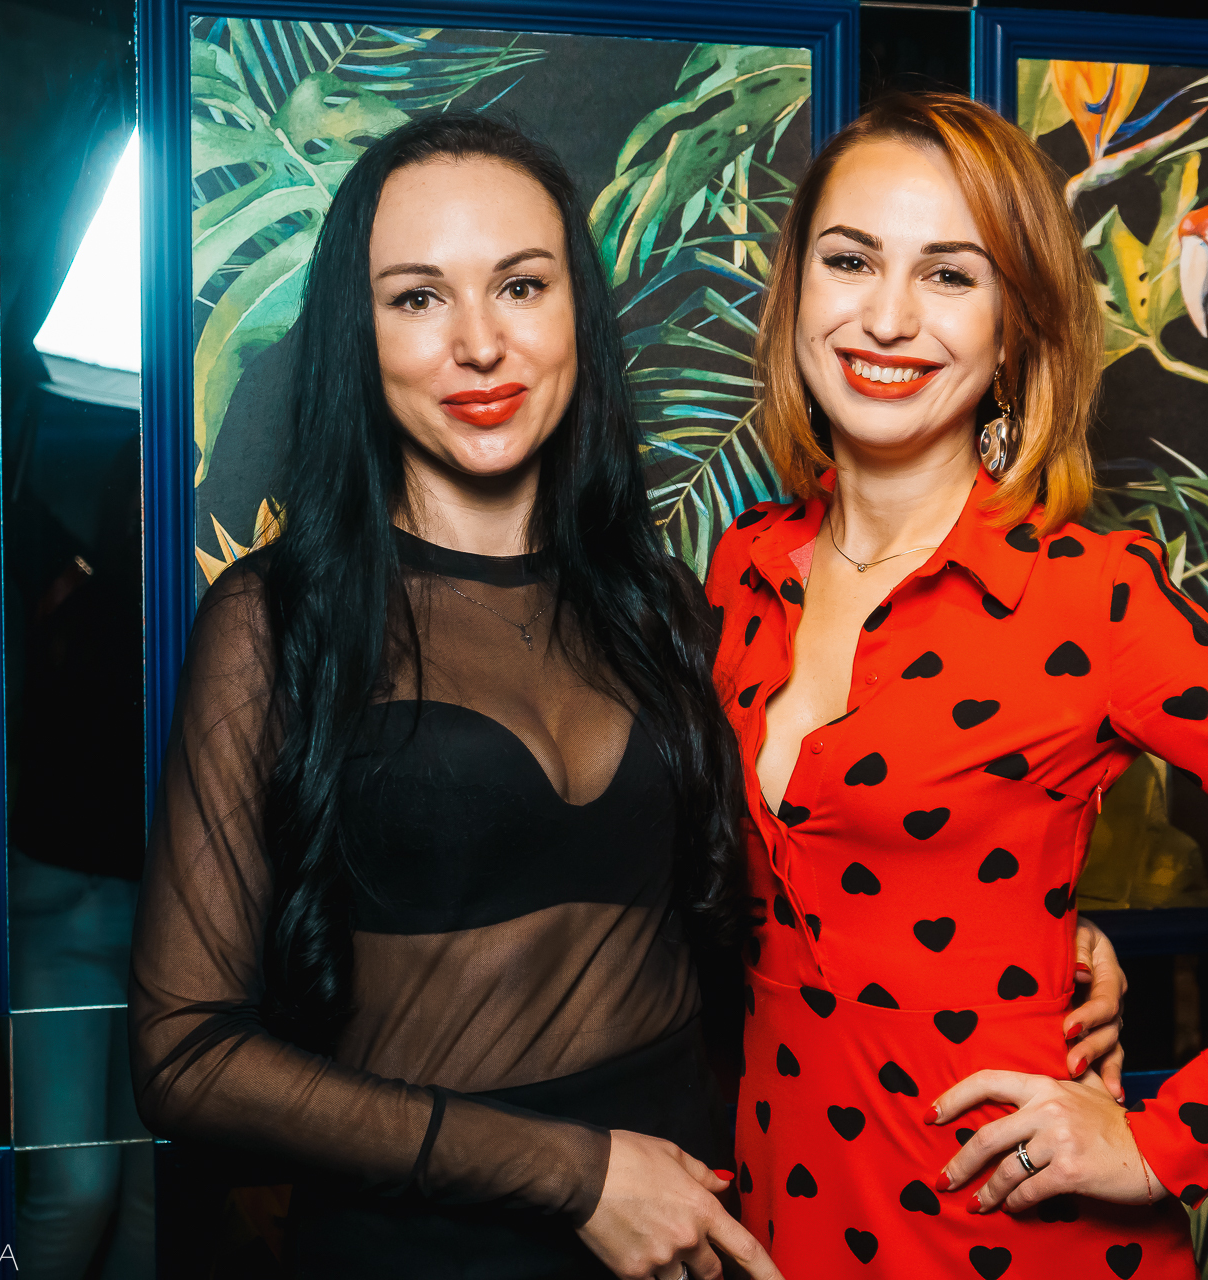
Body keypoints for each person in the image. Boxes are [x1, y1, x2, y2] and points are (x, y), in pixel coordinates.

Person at [706, 92, 1208, 1276]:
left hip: (1008, 1240)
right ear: (796, 292)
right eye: (851, 260)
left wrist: (1167, 1139)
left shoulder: (1087, 597)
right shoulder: (741, 567)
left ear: (1015, 328)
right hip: (783, 1224)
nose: (888, 314)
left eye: (950, 274)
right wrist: (1042, 931)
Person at [129, 113, 777, 1280]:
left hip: (692, 1224)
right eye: (419, 297)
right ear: (359, 334)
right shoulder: (278, 621)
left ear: (576, 311)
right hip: (420, 1246)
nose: (481, 343)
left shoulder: (664, 607)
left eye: (521, 285)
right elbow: (184, 1053)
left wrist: (1043, 933)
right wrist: (576, 1171)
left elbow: (789, 887)